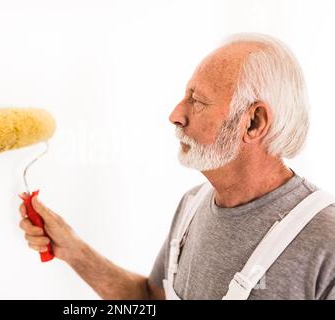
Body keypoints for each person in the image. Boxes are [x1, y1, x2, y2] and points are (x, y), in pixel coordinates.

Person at [19, 33, 335, 300]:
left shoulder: (326, 240)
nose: (176, 114)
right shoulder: (192, 206)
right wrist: (73, 250)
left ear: (253, 122)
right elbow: (151, 297)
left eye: (196, 100)